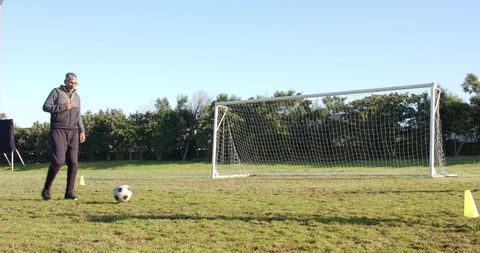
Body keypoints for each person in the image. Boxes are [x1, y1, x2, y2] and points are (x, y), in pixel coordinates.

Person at [41, 72, 86, 200]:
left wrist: (82, 130)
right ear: (65, 81)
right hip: (58, 129)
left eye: (75, 83)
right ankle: (46, 189)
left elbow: (78, 115)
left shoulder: (77, 97)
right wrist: (62, 107)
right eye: (70, 82)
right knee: (59, 161)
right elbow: (45, 107)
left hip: (74, 131)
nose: (72, 85)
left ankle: (69, 193)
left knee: (73, 162)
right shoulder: (56, 92)